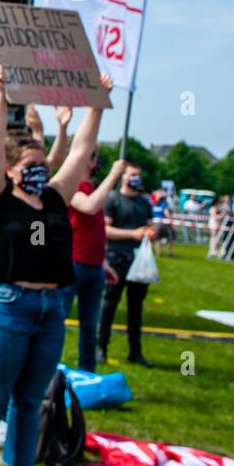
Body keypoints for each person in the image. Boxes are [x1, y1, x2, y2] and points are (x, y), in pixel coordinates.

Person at [0, 63, 110, 466]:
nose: (40, 172)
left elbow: (82, 150)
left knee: (31, 397)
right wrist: (1, 95)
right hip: (6, 304)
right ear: (9, 171)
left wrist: (97, 104)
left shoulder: (55, 199)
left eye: (43, 166)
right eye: (30, 167)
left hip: (49, 307)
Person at [67, 151, 126, 372]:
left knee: (90, 325)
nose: (96, 161)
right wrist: (113, 176)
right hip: (72, 263)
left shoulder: (93, 189)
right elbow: (89, 206)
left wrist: (103, 262)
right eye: (92, 156)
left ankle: (87, 372)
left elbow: (95, 230)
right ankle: (47, 373)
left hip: (93, 266)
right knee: (55, 321)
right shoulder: (70, 186)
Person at [99, 162, 156, 367]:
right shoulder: (113, 200)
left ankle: (135, 352)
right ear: (123, 176)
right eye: (133, 174)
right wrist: (132, 234)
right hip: (116, 258)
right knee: (109, 305)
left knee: (136, 308)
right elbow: (105, 230)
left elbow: (151, 226)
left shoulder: (144, 202)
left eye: (138, 175)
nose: (136, 179)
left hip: (138, 261)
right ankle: (101, 347)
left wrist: (150, 233)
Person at [150, 190, 174, 258]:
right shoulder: (163, 204)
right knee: (170, 238)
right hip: (164, 223)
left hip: (155, 223)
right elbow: (167, 213)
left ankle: (158, 253)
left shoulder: (152, 205)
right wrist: (171, 222)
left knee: (157, 239)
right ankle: (169, 252)